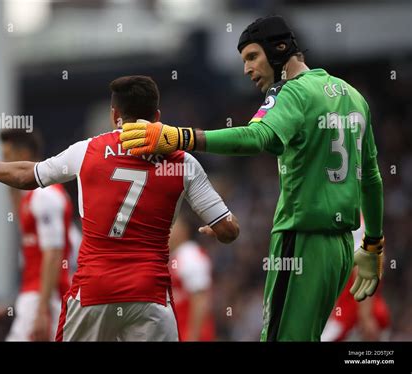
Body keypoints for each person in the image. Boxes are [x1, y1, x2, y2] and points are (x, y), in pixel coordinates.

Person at [120, 16, 385, 341]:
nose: (247, 69)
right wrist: (372, 245)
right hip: (342, 247)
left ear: (280, 49)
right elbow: (371, 179)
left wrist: (179, 137)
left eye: (252, 56)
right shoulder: (354, 97)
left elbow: (254, 137)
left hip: (301, 240)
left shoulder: (293, 93)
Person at [0, 75, 239, 341]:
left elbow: (29, 175)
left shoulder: (87, 151)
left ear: (114, 115)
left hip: (93, 291)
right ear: (157, 116)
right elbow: (228, 229)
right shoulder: (183, 162)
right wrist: (217, 230)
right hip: (150, 294)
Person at [0, 129, 74, 341]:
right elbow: (23, 218)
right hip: (34, 299)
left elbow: (53, 254)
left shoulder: (46, 196)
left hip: (46, 300)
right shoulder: (33, 198)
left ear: (25, 155)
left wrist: (41, 312)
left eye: (8, 157)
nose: (4, 165)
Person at [322, 218, 390, 341]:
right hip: (360, 313)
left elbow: (365, 266)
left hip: (351, 318)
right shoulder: (360, 219)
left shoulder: (354, 221)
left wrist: (366, 316)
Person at [169, 215, 215, 341]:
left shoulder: (190, 255)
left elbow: (200, 299)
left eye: (172, 225)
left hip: (191, 336)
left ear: (184, 229)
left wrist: (193, 336)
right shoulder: (175, 257)